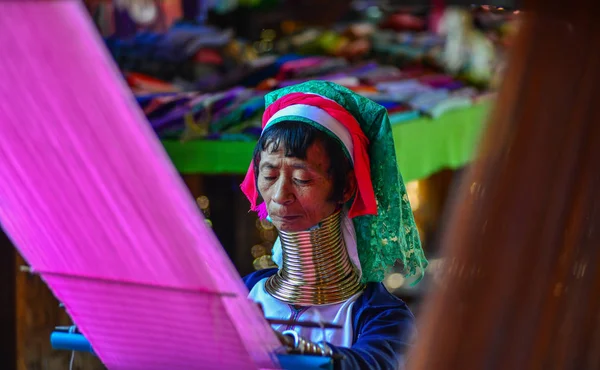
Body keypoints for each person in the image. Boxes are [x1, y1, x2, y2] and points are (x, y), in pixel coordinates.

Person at [240, 81, 428, 369]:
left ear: (346, 187)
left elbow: (372, 363)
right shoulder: (243, 293)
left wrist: (295, 351)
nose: (279, 195)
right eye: (269, 175)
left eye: (302, 179)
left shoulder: (380, 315)